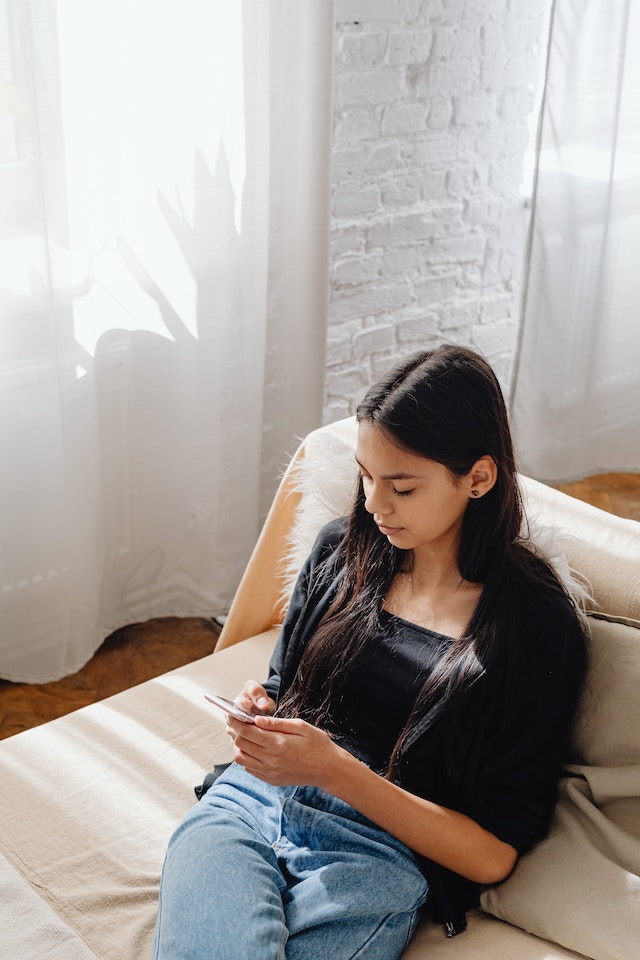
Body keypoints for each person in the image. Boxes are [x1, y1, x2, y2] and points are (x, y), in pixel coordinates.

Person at [152, 344, 587, 960]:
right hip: (248, 808)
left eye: (402, 487)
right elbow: (282, 689)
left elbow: (492, 855)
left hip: (374, 855)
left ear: (479, 477)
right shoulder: (339, 554)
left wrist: (334, 769)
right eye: (365, 476)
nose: (374, 504)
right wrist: (262, 712)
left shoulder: (534, 629)